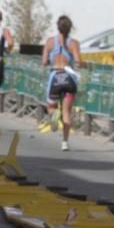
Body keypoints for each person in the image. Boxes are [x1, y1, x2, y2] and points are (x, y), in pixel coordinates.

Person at [41, 15, 81, 151]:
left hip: (55, 77)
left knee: (51, 107)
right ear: (70, 28)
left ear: (58, 27)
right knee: (67, 112)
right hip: (69, 78)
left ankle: (53, 114)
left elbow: (44, 62)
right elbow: (78, 61)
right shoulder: (74, 43)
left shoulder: (50, 42)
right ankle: (64, 142)